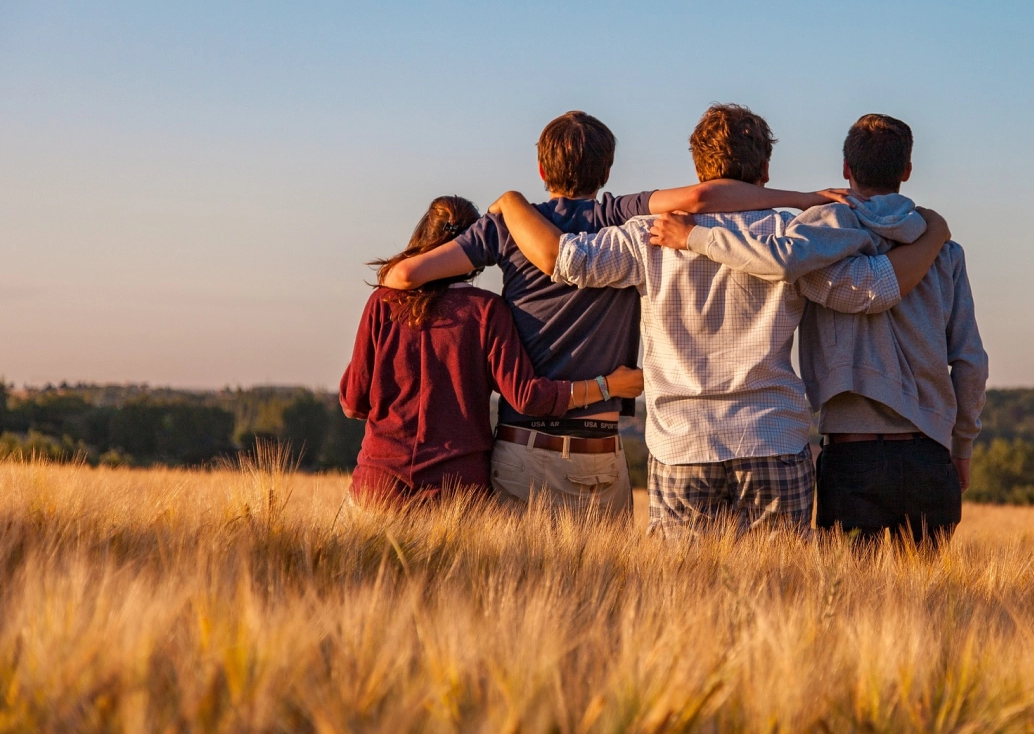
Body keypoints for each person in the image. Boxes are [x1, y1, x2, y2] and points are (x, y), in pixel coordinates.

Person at [488, 104, 951, 537]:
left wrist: (511, 203)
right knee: (779, 596)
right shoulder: (792, 237)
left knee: (683, 600)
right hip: (772, 437)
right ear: (765, 171)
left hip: (681, 445)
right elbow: (870, 291)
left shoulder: (647, 235)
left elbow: (566, 260)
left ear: (697, 169)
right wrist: (933, 236)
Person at [379, 110, 846, 515]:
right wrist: (803, 199)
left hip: (524, 446)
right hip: (603, 450)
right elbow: (704, 199)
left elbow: (402, 278)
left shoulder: (507, 226)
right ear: (607, 170)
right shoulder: (619, 215)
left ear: (541, 168)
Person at [650, 113, 987, 546]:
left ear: (846, 169)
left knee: (844, 602)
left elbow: (783, 262)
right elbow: (971, 362)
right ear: (906, 171)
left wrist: (695, 236)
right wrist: (961, 446)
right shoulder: (944, 250)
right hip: (931, 455)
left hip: (852, 456)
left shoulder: (816, 237)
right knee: (925, 606)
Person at [339, 195, 643, 507]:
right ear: (475, 249)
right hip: (457, 492)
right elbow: (528, 397)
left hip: (379, 485)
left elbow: (353, 403)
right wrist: (609, 386)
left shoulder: (383, 303)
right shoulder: (487, 311)